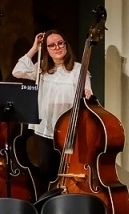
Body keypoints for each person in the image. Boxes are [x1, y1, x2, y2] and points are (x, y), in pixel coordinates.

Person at [11, 29, 92, 190]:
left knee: (69, 172)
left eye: (60, 43)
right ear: (46, 49)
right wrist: (35, 47)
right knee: (47, 172)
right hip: (46, 129)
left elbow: (88, 94)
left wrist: (87, 91)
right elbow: (17, 71)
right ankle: (47, 209)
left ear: (66, 45)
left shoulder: (78, 70)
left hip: (69, 131)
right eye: (51, 45)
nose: (57, 47)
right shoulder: (42, 68)